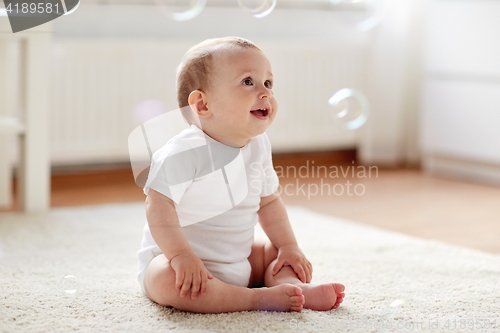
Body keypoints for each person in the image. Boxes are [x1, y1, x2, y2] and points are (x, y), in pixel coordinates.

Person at [137, 36, 345, 313]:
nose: (266, 92)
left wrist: (288, 245)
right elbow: (158, 205)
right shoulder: (184, 151)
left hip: (239, 260)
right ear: (202, 105)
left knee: (274, 252)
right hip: (184, 268)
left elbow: (268, 202)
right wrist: (181, 255)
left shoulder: (258, 146)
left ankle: (294, 287)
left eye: (268, 83)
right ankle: (256, 299)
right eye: (248, 81)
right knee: (163, 278)